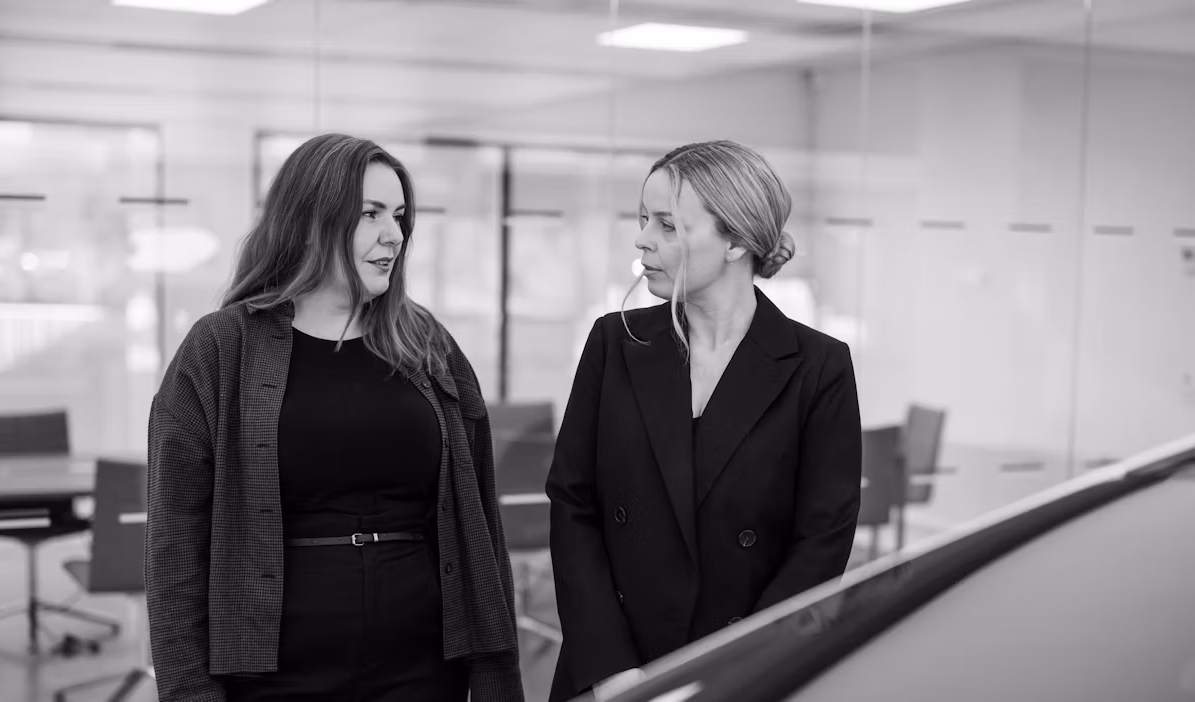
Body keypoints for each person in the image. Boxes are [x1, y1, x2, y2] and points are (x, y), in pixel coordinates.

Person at [145, 134, 523, 702]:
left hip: (424, 664)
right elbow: (175, 545)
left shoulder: (427, 345)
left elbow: (480, 529)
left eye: (398, 216)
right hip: (277, 673)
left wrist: (495, 677)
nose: (393, 235)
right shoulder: (223, 348)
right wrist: (190, 693)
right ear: (310, 220)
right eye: (369, 214)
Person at [546, 140, 862, 702]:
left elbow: (821, 543)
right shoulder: (614, 344)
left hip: (743, 676)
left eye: (668, 225)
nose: (643, 239)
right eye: (644, 219)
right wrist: (613, 672)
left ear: (736, 240)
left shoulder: (819, 367)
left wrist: (736, 675)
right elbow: (574, 508)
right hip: (611, 674)